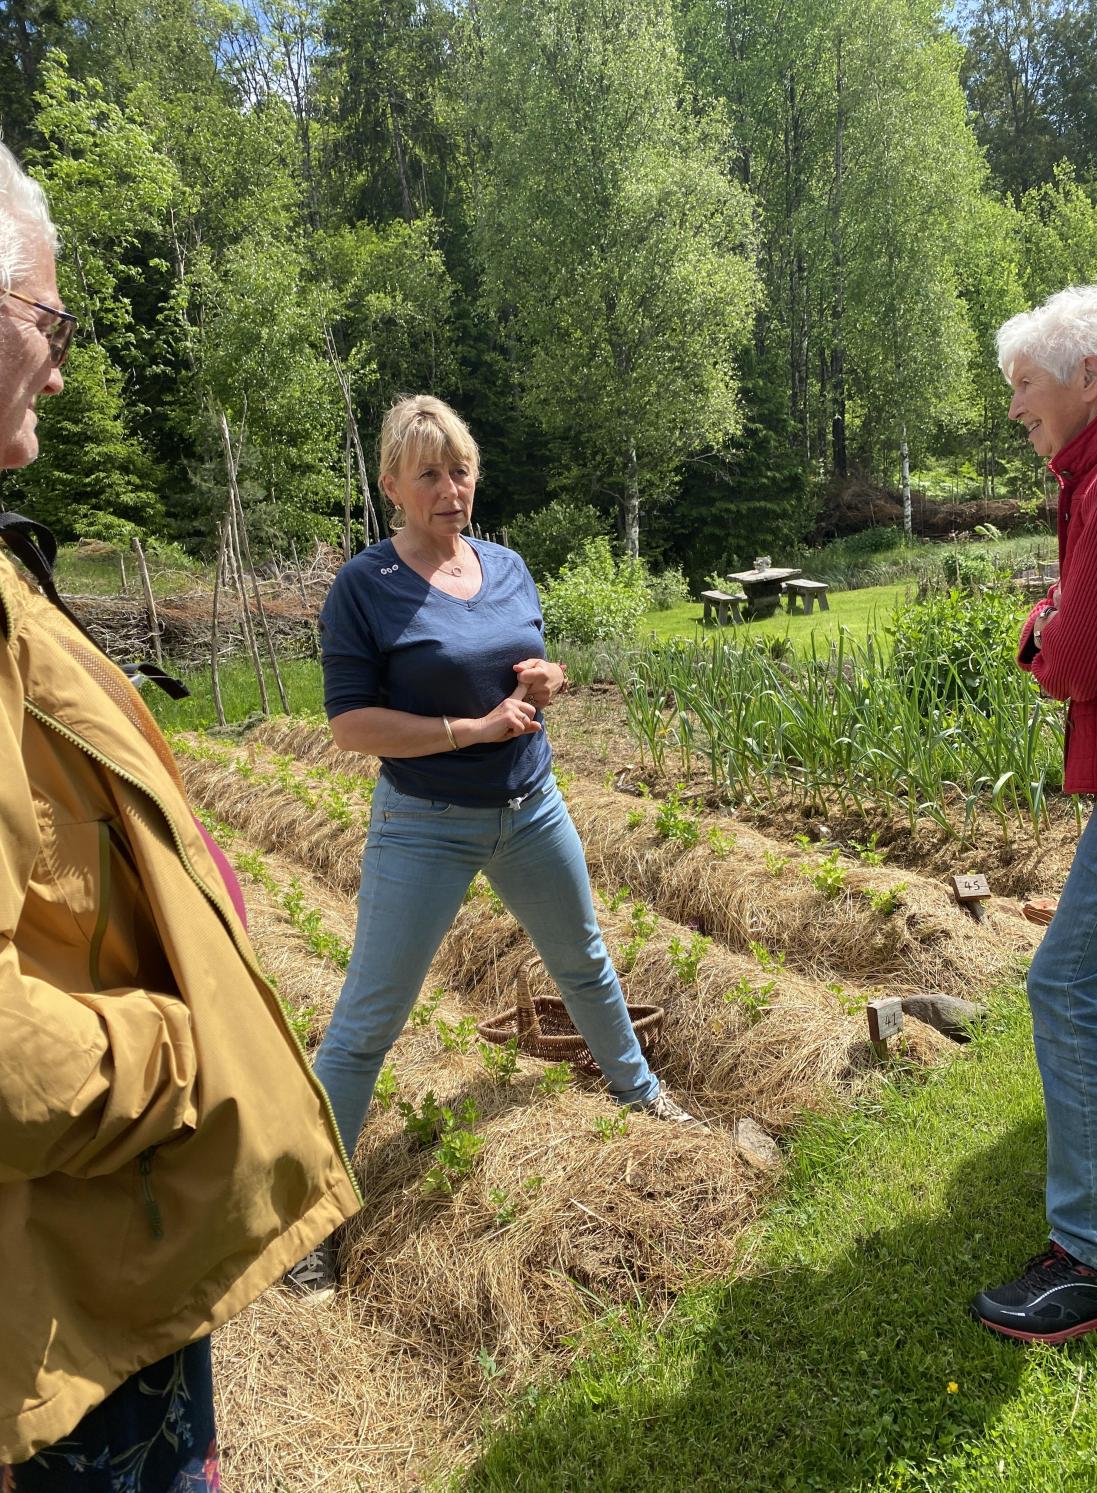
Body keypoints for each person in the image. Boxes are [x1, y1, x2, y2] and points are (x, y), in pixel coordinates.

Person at [0, 142, 360, 1486]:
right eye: (50, 317)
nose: (62, 355)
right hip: (63, 1297)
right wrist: (178, 1057)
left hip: (100, 1262)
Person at [288, 394, 696, 1298]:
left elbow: (531, 663)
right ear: (392, 483)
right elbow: (352, 726)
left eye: (461, 469)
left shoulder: (507, 566)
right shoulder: (366, 586)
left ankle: (643, 1098)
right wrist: (468, 729)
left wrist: (549, 679)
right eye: (428, 472)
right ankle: (308, 1218)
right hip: (424, 822)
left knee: (585, 963)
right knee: (365, 1025)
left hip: (531, 804)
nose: (450, 487)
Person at [970, 283, 1097, 1343]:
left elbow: (1068, 657)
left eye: (1024, 386)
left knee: (1064, 982)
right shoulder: (1095, 474)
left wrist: (1035, 624)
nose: (1014, 407)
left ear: (1087, 379)